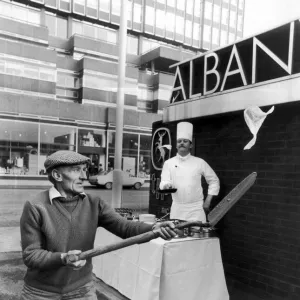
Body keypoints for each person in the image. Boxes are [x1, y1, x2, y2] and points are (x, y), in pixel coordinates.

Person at [20, 150, 177, 300]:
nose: (84, 176)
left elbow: (125, 227)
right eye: (76, 170)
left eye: (84, 170)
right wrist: (63, 258)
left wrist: (153, 228)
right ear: (57, 175)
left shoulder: (95, 203)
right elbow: (31, 255)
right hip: (40, 291)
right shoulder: (36, 206)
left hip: (81, 288)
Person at [160, 122, 220, 222]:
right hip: (177, 208)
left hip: (196, 209)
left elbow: (214, 180)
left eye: (185, 141)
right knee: (177, 236)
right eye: (179, 141)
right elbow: (164, 181)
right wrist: (166, 186)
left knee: (198, 235)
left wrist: (208, 201)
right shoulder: (168, 163)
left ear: (191, 145)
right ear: (176, 145)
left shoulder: (200, 162)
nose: (182, 143)